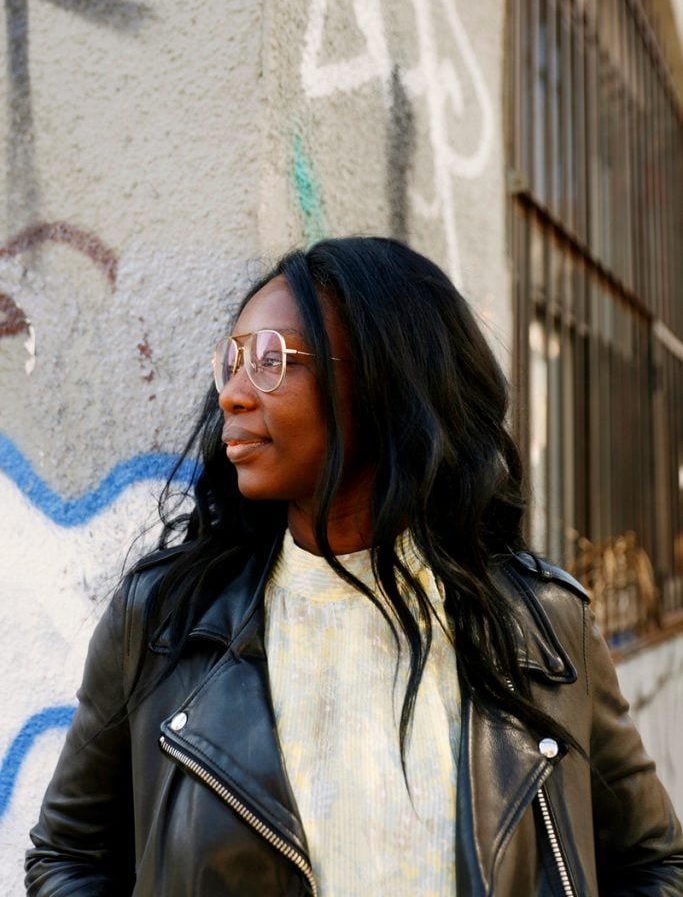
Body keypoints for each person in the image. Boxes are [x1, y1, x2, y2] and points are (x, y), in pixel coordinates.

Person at [26, 236, 683, 895]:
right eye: (231, 362)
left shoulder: (541, 624)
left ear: (384, 381)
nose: (232, 394)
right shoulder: (165, 622)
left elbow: (654, 863)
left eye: (271, 360)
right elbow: (69, 858)